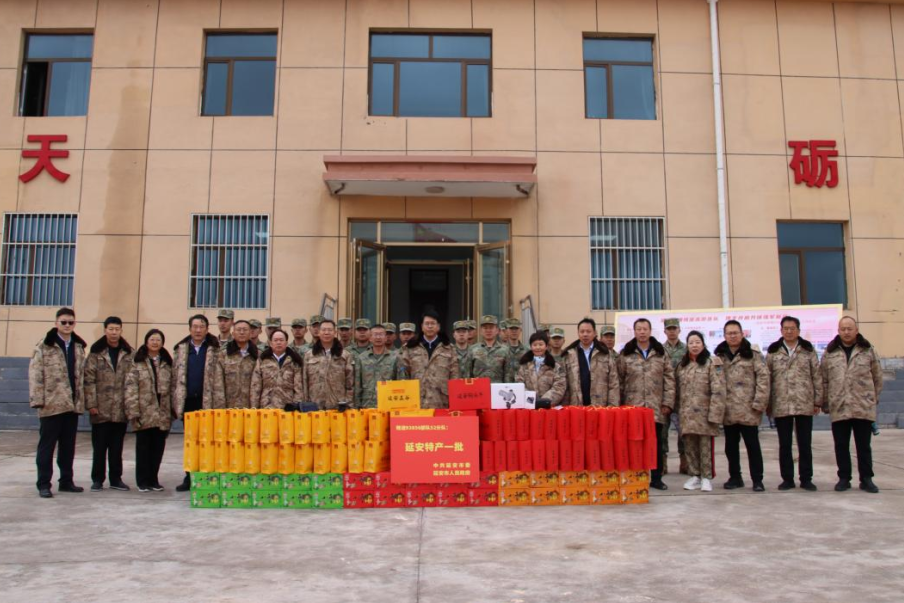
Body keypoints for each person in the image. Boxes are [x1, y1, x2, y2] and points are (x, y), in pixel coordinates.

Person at [820, 316, 883, 494]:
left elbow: (877, 377)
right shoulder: (830, 352)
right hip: (839, 406)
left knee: (863, 446)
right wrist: (825, 402)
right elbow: (824, 379)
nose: (846, 332)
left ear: (856, 330)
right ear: (838, 331)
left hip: (862, 406)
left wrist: (872, 399)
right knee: (841, 445)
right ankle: (844, 478)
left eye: (850, 329)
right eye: (843, 329)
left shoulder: (868, 350)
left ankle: (866, 479)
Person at [30, 307, 88, 498]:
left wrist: (82, 401)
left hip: (71, 405)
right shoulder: (44, 346)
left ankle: (66, 481)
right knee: (47, 447)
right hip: (51, 405)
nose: (67, 325)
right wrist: (38, 400)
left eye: (71, 322)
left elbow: (82, 376)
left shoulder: (78, 347)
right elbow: (36, 374)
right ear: (56, 323)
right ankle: (43, 484)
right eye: (63, 322)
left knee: (68, 447)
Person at [766, 316, 823, 491]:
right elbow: (767, 379)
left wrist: (817, 400)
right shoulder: (773, 351)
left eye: (792, 328)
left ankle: (806, 478)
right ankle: (787, 479)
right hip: (781, 403)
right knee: (785, 444)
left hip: (804, 403)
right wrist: (768, 404)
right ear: (781, 330)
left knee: (805, 443)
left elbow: (817, 376)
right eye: (786, 328)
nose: (789, 331)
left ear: (798, 330)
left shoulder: (807, 350)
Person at [617, 318, 675, 490]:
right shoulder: (626, 353)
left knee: (655, 444)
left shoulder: (660, 352)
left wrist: (667, 402)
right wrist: (620, 405)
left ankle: (656, 478)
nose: (642, 332)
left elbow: (669, 379)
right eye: (639, 329)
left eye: (645, 329)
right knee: (634, 444)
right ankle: (635, 477)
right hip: (632, 407)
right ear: (634, 331)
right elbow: (619, 380)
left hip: (655, 407)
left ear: (650, 331)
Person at [714, 320, 769, 492]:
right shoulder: (719, 356)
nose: (732, 336)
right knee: (730, 447)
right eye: (729, 333)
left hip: (748, 410)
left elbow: (763, 379)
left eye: (735, 333)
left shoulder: (753, 354)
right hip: (728, 410)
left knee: (753, 446)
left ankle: (757, 480)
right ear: (724, 335)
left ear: (742, 334)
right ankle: (735, 477)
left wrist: (759, 403)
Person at [172, 314, 225, 492]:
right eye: (195, 327)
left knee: (208, 441)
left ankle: (206, 477)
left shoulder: (215, 349)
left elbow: (220, 378)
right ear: (189, 329)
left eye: (201, 327)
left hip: (207, 402)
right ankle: (189, 477)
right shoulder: (181, 349)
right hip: (188, 402)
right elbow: (174, 377)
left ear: (207, 329)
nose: (198, 330)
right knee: (190, 442)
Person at [84, 316, 134, 492]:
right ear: (105, 330)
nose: (114, 332)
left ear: (121, 330)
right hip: (101, 409)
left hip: (120, 409)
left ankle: (116, 479)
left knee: (116, 447)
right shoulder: (95, 353)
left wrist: (130, 406)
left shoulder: (128, 353)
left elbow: (133, 381)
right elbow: (88, 380)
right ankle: (97, 479)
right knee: (99, 447)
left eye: (117, 329)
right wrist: (91, 404)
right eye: (111, 329)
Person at [675, 331, 725, 492]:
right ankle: (695, 475)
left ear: (703, 344)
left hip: (705, 415)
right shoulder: (682, 365)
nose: (694, 345)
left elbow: (718, 390)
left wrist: (715, 414)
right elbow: (677, 391)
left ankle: (706, 477)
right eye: (691, 343)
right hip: (687, 415)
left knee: (705, 448)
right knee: (689, 446)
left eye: (697, 342)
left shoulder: (712, 363)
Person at [124, 329, 172, 493]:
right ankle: (142, 481)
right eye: (152, 339)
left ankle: (153, 480)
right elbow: (130, 388)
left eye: (158, 340)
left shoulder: (166, 362)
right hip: (144, 412)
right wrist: (133, 411)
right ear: (146, 342)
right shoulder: (137, 362)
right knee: (143, 448)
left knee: (158, 448)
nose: (155, 342)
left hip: (162, 413)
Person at [399, 311, 461, 409]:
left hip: (442, 402)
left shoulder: (449, 348)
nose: (430, 326)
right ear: (422, 326)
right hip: (416, 402)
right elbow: (404, 374)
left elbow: (455, 375)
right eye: (427, 323)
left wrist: (454, 401)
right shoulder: (410, 348)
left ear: (438, 326)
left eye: (433, 323)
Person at [563, 317, 619, 407]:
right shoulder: (569, 355)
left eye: (588, 331)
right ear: (578, 333)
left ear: (595, 333)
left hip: (600, 406)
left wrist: (612, 406)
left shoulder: (605, 354)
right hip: (576, 407)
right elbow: (564, 385)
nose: (585, 334)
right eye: (582, 331)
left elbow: (613, 383)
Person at [303, 319, 354, 410]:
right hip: (315, 406)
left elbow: (350, 383)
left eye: (330, 330)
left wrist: (348, 403)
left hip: (337, 406)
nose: (326, 333)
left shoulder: (344, 355)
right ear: (319, 332)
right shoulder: (309, 355)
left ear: (335, 332)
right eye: (323, 330)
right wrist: (306, 403)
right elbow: (305, 380)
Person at [251, 330, 304, 410]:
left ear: (286, 343)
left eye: (281, 340)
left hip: (288, 408)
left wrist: (296, 406)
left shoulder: (294, 361)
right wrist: (254, 408)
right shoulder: (262, 360)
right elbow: (255, 386)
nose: (278, 342)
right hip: (267, 407)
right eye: (275, 340)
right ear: (270, 343)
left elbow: (298, 388)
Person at [663, 317, 688, 474]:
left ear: (679, 330)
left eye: (674, 328)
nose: (672, 331)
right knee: (662, 431)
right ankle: (662, 463)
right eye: (669, 329)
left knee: (683, 431)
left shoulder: (687, 349)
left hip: (681, 395)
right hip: (665, 395)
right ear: (665, 331)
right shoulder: (660, 350)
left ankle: (685, 462)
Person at [354, 324, 400, 409]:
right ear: (370, 338)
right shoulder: (362, 358)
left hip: (388, 404)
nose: (378, 337)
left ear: (385, 338)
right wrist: (357, 407)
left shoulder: (395, 357)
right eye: (375, 334)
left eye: (381, 334)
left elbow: (400, 382)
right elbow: (357, 385)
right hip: (367, 405)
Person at [516, 332, 566, 408]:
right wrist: (531, 400)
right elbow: (519, 384)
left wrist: (543, 402)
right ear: (531, 347)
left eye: (541, 344)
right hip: (528, 406)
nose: (538, 347)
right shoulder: (524, 366)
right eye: (535, 345)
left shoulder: (555, 366)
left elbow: (559, 386)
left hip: (549, 407)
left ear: (546, 346)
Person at [218, 320, 258, 409]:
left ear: (250, 333)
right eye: (239, 330)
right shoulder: (224, 354)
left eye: (245, 330)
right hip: (229, 406)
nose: (242, 332)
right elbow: (218, 383)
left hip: (251, 407)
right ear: (233, 334)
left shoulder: (258, 355)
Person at [465, 315, 511, 383]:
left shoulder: (505, 350)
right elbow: (468, 375)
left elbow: (508, 375)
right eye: (485, 328)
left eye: (491, 327)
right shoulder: (472, 349)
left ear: (497, 330)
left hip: (498, 388)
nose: (488, 330)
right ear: (481, 331)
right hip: (478, 388)